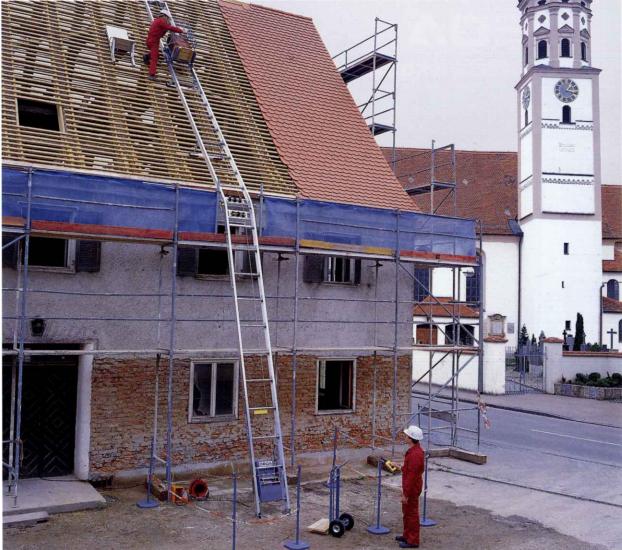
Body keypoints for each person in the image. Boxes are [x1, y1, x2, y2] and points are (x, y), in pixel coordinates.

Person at [396, 425, 425, 548]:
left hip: (411, 489)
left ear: (411, 438)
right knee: (407, 512)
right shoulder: (414, 451)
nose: (405, 436)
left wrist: (405, 494)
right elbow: (410, 470)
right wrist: (401, 467)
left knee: (411, 514)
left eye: (406, 435)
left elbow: (412, 476)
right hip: (411, 487)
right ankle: (407, 535)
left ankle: (412, 540)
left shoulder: (415, 455)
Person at [143, 10, 184, 79]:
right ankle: (151, 75)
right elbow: (169, 27)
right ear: (164, 16)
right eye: (168, 18)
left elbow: (162, 32)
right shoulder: (161, 21)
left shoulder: (157, 21)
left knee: (157, 55)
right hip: (153, 41)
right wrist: (181, 30)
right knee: (154, 58)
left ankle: (146, 57)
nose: (168, 20)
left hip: (152, 41)